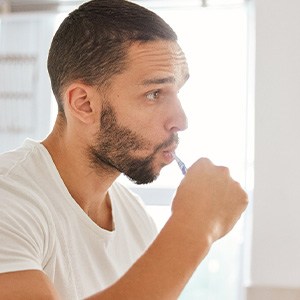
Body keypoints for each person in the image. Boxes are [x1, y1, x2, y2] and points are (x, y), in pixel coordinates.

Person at [0, 0, 248, 299]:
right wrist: (195, 228)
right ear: (84, 104)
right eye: (154, 93)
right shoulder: (8, 199)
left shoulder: (134, 218)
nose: (180, 121)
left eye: (176, 92)